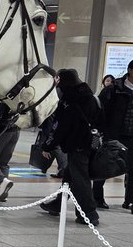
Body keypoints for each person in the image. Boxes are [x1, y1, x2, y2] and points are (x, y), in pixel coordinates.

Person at [38, 69, 102, 225]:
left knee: (80, 180)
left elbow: (59, 127)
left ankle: (89, 214)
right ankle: (57, 204)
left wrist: (47, 146)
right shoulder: (92, 97)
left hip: (76, 146)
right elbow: (101, 120)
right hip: (91, 144)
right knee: (69, 175)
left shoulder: (69, 100)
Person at [95, 57, 133, 214]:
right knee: (106, 166)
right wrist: (100, 130)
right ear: (129, 70)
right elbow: (100, 109)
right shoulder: (114, 88)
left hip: (131, 136)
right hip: (112, 134)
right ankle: (97, 197)